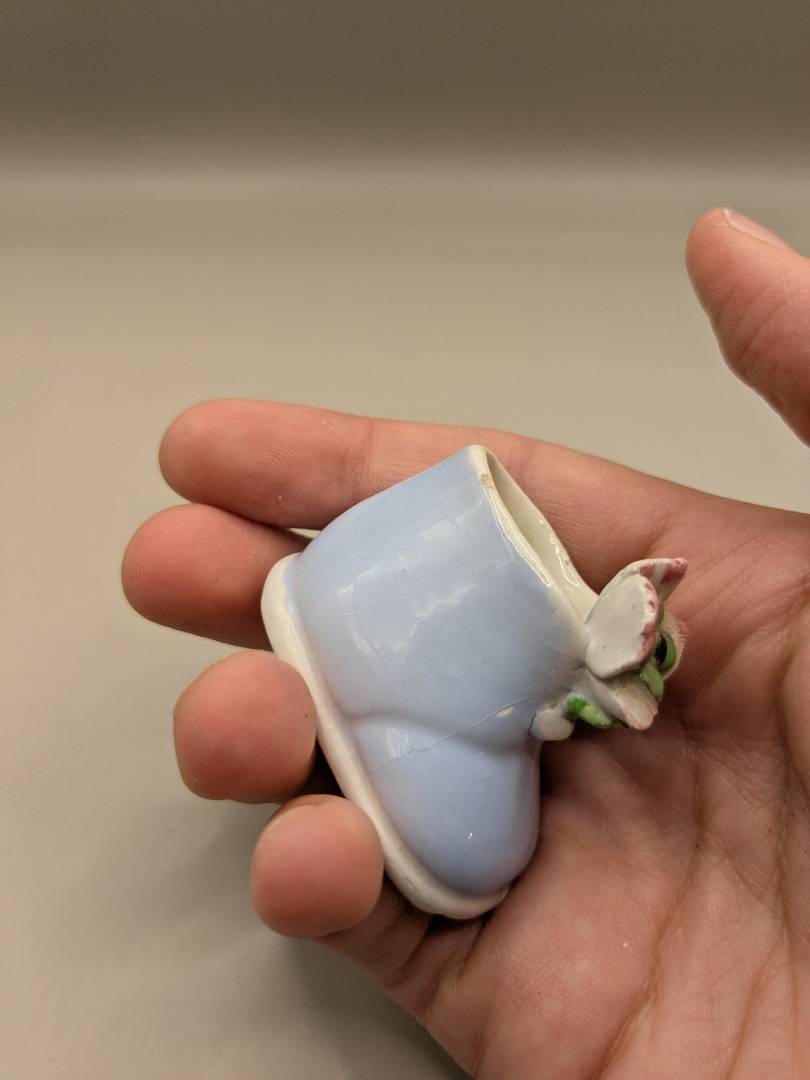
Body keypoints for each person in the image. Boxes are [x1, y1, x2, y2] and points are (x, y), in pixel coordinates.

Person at [122, 208, 810, 1078]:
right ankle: (417, 642)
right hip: (461, 702)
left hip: (362, 577)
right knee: (477, 814)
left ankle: (370, 590)